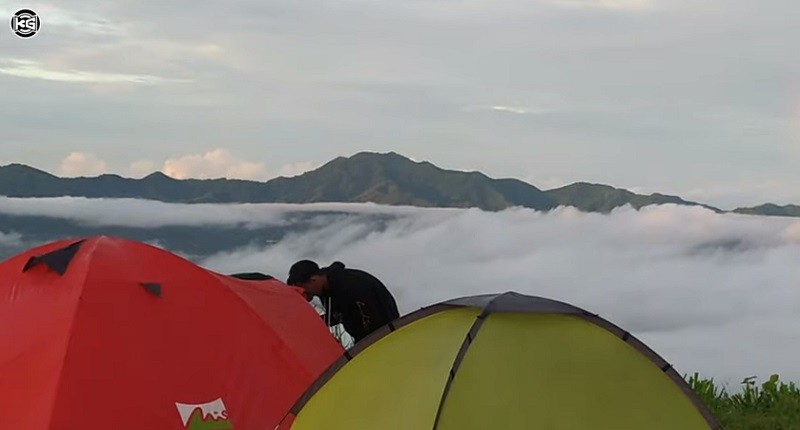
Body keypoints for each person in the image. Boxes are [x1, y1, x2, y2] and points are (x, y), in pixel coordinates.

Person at [286, 259, 399, 343]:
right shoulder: (326, 289)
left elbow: (371, 320)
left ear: (313, 280)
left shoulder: (351, 285)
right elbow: (340, 314)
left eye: (303, 287)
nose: (303, 292)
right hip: (369, 340)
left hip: (386, 336)